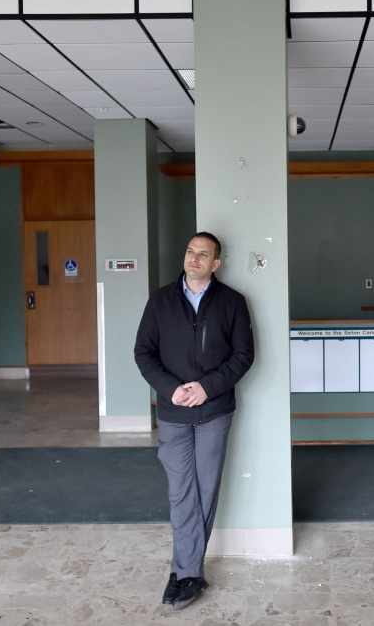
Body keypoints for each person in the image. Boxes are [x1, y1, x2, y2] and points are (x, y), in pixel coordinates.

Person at [133, 231, 255, 611]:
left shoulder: (233, 302)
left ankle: (184, 571)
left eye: (204, 254)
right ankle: (188, 571)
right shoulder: (160, 301)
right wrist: (172, 390)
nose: (195, 258)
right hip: (172, 412)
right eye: (190, 251)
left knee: (204, 490)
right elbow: (143, 353)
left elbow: (243, 355)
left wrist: (206, 388)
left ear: (215, 264)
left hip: (214, 411)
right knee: (180, 490)